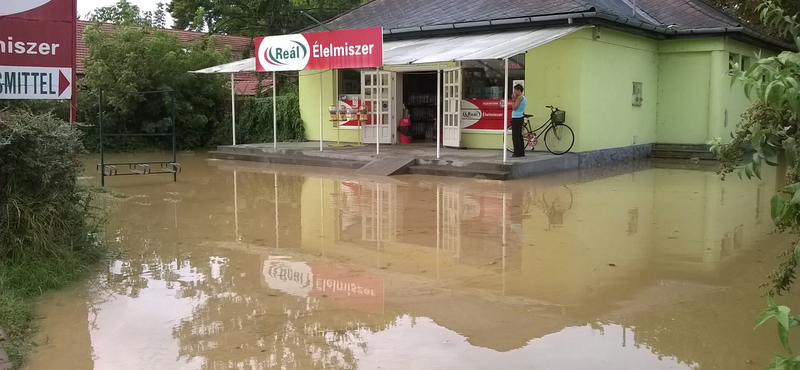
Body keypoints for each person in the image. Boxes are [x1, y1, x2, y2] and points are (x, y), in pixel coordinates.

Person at [510, 84, 527, 157]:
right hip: (520, 117)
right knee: (519, 135)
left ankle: (517, 152)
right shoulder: (524, 97)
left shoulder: (519, 98)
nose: (514, 92)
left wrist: (513, 100)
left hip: (516, 117)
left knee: (515, 136)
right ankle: (521, 152)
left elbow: (514, 108)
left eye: (515, 90)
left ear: (519, 90)